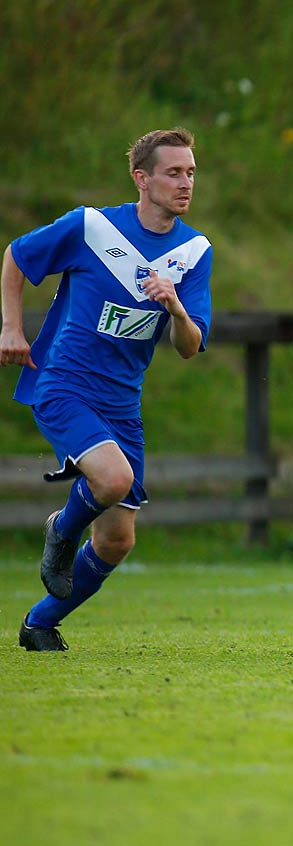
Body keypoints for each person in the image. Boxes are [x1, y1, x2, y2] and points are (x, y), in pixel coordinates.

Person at [2, 129, 213, 653]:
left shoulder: (193, 252)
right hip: (63, 384)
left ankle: (40, 622)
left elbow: (190, 346)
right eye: (173, 172)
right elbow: (17, 256)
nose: (185, 182)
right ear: (141, 179)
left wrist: (176, 308)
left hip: (123, 404)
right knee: (113, 479)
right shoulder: (91, 227)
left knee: (117, 540)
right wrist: (10, 329)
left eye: (190, 172)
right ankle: (62, 528)